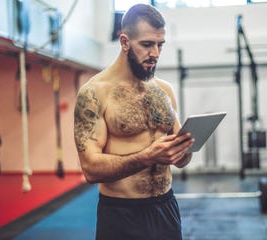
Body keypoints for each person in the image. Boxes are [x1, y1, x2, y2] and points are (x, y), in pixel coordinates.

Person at [73, 4, 194, 240]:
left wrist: (184, 150)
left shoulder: (164, 90)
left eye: (160, 45)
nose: (156, 53)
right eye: (147, 44)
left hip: (165, 208)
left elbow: (181, 160)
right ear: (125, 42)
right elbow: (90, 169)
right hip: (121, 214)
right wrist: (147, 156)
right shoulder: (96, 93)